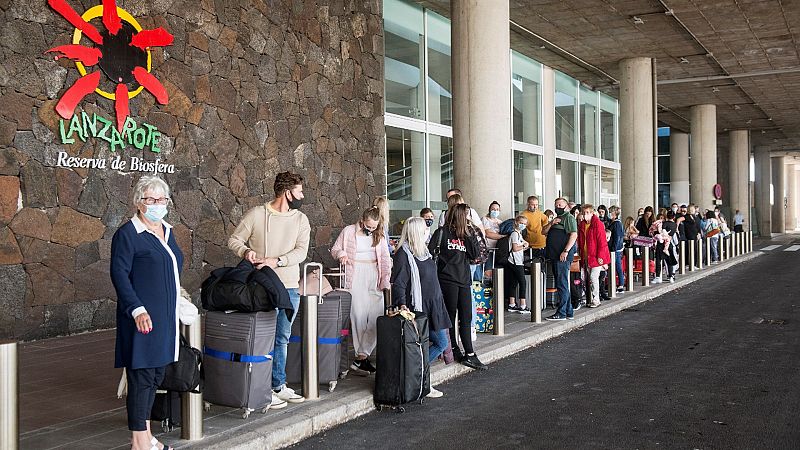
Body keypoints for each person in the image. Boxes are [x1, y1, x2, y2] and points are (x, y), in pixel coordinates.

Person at [111, 176, 184, 450]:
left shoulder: (167, 229)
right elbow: (119, 275)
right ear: (138, 202)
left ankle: (146, 436)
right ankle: (139, 442)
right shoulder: (128, 234)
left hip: (164, 319)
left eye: (161, 199)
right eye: (151, 200)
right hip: (141, 319)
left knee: (154, 376)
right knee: (141, 377)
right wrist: (136, 308)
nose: (157, 204)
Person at [228, 171, 310, 407]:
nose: (302, 195)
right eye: (299, 191)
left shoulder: (300, 219)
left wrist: (276, 261)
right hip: (260, 287)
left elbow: (301, 252)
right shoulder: (256, 214)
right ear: (288, 192)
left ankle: (278, 384)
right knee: (261, 339)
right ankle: (262, 388)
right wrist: (245, 252)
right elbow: (234, 239)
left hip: (290, 287)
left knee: (282, 337)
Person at [391, 217, 453, 398]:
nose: (428, 231)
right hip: (419, 308)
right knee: (439, 342)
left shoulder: (423, 250)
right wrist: (402, 305)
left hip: (434, 304)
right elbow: (400, 283)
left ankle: (419, 377)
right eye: (424, 229)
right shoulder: (403, 254)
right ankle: (419, 376)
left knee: (434, 343)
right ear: (416, 232)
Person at [331, 207, 393, 375]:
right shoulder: (349, 231)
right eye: (369, 226)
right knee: (357, 315)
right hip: (355, 274)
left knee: (377, 315)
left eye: (374, 227)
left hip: (374, 274)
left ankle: (361, 356)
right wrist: (342, 254)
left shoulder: (379, 234)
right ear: (362, 220)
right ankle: (362, 357)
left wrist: (385, 279)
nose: (371, 229)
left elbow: (386, 259)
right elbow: (335, 249)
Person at [429, 203, 487, 370]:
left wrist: (467, 233)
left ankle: (469, 353)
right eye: (467, 215)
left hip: (464, 280)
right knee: (450, 316)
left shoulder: (467, 233)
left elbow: (475, 255)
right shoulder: (441, 233)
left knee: (466, 317)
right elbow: (431, 251)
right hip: (447, 280)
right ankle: (453, 348)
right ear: (460, 215)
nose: (469, 218)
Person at [543, 197, 578, 321]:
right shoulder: (555, 219)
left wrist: (566, 251)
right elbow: (543, 231)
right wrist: (551, 223)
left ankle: (561, 312)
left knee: (562, 283)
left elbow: (573, 235)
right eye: (556, 204)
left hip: (562, 256)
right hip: (554, 254)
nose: (558, 206)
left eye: (560, 204)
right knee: (561, 283)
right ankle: (568, 311)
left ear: (566, 206)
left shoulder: (569, 218)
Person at [577, 205, 610, 308]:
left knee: (593, 277)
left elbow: (602, 241)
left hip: (595, 256)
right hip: (586, 255)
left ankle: (596, 299)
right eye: (584, 212)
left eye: (588, 212)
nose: (585, 214)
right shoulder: (582, 225)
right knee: (588, 277)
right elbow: (581, 241)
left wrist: (600, 256)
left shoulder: (598, 224)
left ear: (592, 213)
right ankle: (590, 298)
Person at [505, 215, 531, 313]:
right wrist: (524, 247)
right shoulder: (515, 234)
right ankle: (523, 305)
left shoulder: (518, 234)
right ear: (516, 222)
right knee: (522, 282)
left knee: (513, 282)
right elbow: (515, 248)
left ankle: (512, 304)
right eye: (521, 223)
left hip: (513, 260)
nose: (522, 225)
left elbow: (524, 243)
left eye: (524, 224)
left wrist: (525, 244)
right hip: (516, 261)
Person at [652, 211, 678, 283]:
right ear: (674, 217)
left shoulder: (664, 224)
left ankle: (658, 277)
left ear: (666, 216)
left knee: (658, 260)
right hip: (669, 244)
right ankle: (670, 276)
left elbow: (659, 231)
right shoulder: (674, 225)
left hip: (661, 244)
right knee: (669, 261)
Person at [608, 206, 625, 293]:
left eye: (610, 212)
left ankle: (619, 284)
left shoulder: (616, 224)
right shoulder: (615, 223)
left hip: (615, 249)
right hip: (616, 248)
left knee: (616, 266)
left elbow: (617, 237)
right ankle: (620, 284)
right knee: (617, 266)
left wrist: (613, 249)